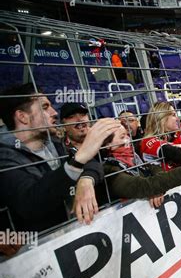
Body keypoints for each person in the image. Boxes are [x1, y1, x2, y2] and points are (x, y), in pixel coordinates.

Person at [0, 84, 121, 231]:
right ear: (22, 117)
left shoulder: (55, 145)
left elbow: (91, 163)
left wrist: (85, 180)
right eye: (45, 107)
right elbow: (30, 203)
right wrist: (78, 160)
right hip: (43, 247)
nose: (54, 112)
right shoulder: (5, 157)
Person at [103, 125, 181, 206]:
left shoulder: (135, 155)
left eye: (127, 134)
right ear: (108, 145)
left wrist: (156, 189)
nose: (128, 139)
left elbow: (155, 168)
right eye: (122, 137)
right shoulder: (110, 169)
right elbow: (143, 186)